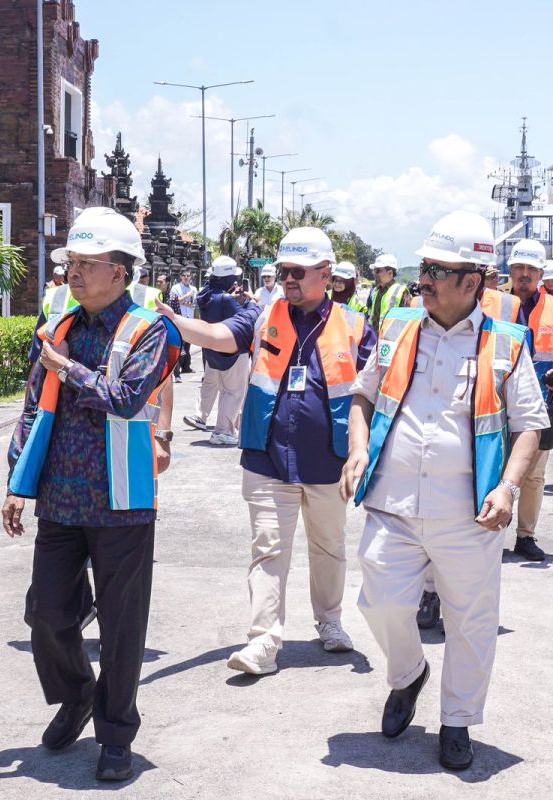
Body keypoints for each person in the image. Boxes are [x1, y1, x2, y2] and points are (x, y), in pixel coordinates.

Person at [342, 209, 547, 771]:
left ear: (471, 282)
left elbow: (530, 425)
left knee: (471, 621)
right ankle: (408, 674)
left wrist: (509, 487)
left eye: (437, 270)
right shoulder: (397, 328)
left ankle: (457, 720)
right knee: (379, 601)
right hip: (393, 504)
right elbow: (362, 396)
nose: (424, 280)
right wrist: (357, 449)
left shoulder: (506, 344)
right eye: (425, 268)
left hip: (470, 513)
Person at [2, 208, 181, 782]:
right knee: (46, 613)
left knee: (123, 627)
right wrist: (16, 482)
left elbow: (126, 399)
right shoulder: (58, 329)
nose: (73, 273)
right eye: (71, 263)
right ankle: (78, 693)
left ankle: (116, 734)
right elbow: (33, 407)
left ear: (119, 272)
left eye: (86, 263)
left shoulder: (149, 329)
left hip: (122, 499)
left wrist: (68, 369)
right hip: (60, 495)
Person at [157, 227, 374, 675]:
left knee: (329, 547)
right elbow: (217, 335)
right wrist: (175, 321)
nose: (288, 278)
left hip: (329, 461)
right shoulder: (262, 316)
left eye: (297, 271)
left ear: (326, 273)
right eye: (283, 270)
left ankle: (330, 621)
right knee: (268, 548)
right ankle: (263, 642)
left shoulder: (354, 325)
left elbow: (376, 388)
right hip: (268, 457)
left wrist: (362, 447)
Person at [508, 238, 553, 562]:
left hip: (540, 404)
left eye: (531, 269)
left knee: (535, 475)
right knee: (493, 468)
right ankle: (489, 531)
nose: (525, 274)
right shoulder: (494, 304)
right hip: (497, 403)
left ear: (541, 273)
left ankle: (525, 536)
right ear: (510, 270)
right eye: (519, 267)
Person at [184, 255, 249, 446]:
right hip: (232, 350)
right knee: (233, 392)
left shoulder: (206, 295)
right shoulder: (225, 299)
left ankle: (228, 427)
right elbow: (244, 320)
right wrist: (249, 303)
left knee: (222, 387)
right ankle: (223, 431)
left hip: (213, 351)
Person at [366, 253, 408, 332]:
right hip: (373, 337)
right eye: (374, 270)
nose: (374, 274)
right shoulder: (375, 291)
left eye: (377, 270)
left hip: (391, 338)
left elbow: (406, 322)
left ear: (390, 273)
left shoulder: (401, 292)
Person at [168, 270, 197, 380]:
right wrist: (187, 296)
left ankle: (186, 366)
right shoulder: (176, 288)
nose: (186, 277)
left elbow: (193, 304)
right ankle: (177, 368)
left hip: (190, 318)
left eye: (188, 275)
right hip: (180, 318)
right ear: (180, 276)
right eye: (184, 275)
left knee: (188, 344)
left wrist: (184, 302)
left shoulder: (193, 289)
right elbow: (176, 301)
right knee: (180, 344)